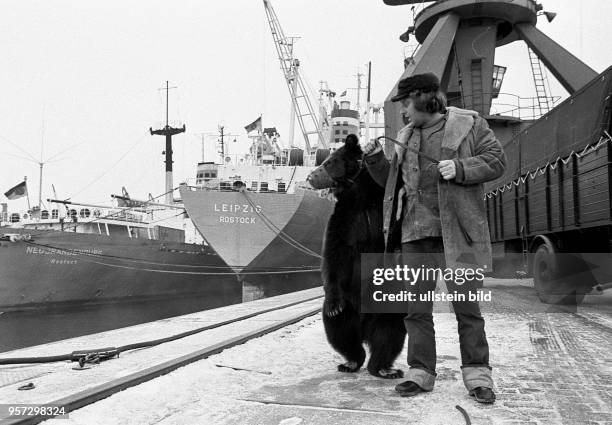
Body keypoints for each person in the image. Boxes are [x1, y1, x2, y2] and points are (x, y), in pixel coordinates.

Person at [363, 73, 506, 404]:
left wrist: (460, 168)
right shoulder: (404, 135)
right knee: (415, 311)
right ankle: (420, 372)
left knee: (467, 309)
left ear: (425, 99)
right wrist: (374, 159)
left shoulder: (470, 124)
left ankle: (477, 375)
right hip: (415, 236)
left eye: (407, 103)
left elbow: (497, 161)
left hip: (459, 236)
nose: (403, 111)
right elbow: (392, 183)